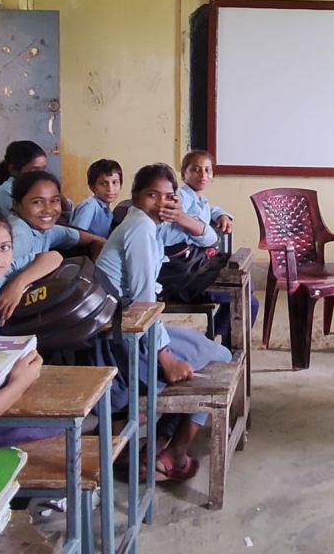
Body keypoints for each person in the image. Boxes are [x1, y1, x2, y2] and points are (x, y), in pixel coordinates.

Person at [95, 163, 231, 482]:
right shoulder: (140, 227)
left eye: (167, 196)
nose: (159, 203)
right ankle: (171, 452)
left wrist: (180, 215)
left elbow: (209, 236)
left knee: (215, 357)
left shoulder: (156, 223)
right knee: (216, 360)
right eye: (151, 195)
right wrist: (166, 358)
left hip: (134, 326)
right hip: (121, 335)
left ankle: (158, 446)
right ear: (136, 197)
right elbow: (143, 303)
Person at [0, 207, 63, 453]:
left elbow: (52, 257)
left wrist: (18, 283)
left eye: (5, 247)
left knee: (52, 424)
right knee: (43, 431)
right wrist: (17, 385)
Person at [164, 151, 259, 342]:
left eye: (207, 170)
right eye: (196, 170)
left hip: (194, 268)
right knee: (246, 296)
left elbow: (209, 209)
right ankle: (221, 344)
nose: (203, 175)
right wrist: (201, 227)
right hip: (183, 276)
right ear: (184, 174)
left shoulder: (198, 198)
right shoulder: (180, 197)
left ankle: (215, 342)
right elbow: (200, 233)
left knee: (248, 296)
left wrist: (221, 215)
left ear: (213, 175)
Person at [7, 171, 105, 275]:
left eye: (54, 201)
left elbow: (96, 239)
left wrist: (94, 273)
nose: (48, 209)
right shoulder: (19, 232)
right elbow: (0, 283)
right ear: (16, 205)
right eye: (37, 202)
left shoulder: (44, 230)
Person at [0, 141, 48, 215]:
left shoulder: (35, 187)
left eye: (43, 169)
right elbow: (31, 219)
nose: (41, 174)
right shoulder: (6, 192)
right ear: (13, 170)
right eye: (34, 169)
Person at [71, 159, 123, 238]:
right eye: (103, 183)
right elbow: (76, 236)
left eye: (115, 182)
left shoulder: (107, 210)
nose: (110, 189)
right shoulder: (90, 206)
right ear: (92, 187)